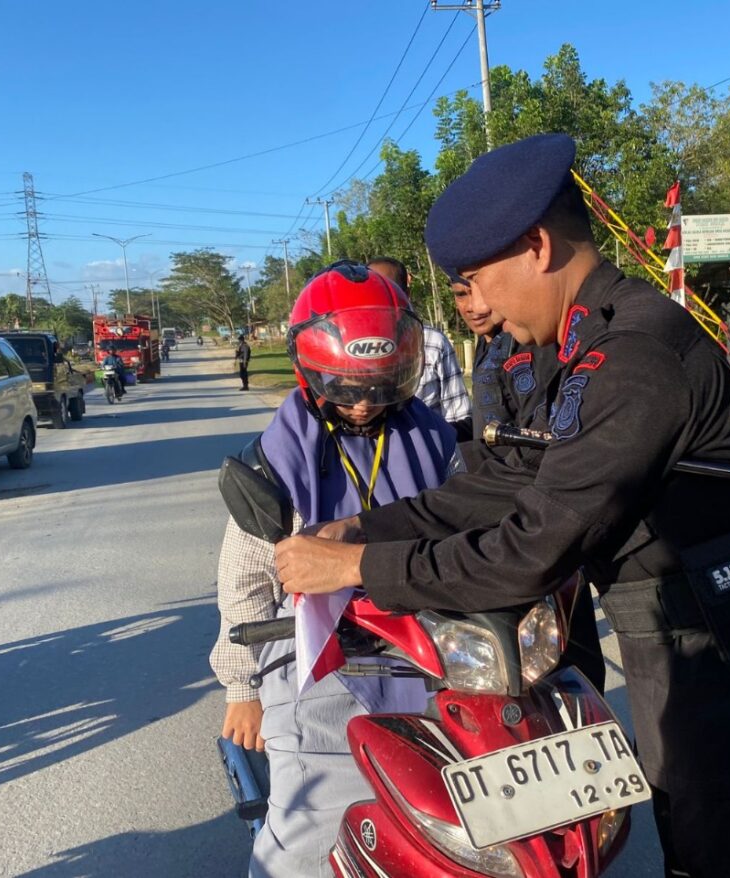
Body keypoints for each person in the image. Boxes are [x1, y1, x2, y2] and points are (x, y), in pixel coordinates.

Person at [275, 134, 730, 877]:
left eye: (476, 280)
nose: (478, 308)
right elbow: (503, 481)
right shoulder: (573, 350)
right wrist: (361, 526)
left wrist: (358, 566)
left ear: (536, 245)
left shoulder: (636, 355)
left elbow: (532, 546)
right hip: (682, 660)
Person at [209, 260, 459, 878]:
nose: (365, 404)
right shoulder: (277, 460)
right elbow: (244, 581)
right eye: (346, 387)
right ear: (311, 372)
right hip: (317, 656)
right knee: (310, 831)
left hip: (432, 647)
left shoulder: (434, 441)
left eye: (383, 385)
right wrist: (242, 690)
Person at [451, 272, 607, 693]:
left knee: (565, 648)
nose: (473, 306)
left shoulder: (531, 344)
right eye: (461, 294)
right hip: (494, 508)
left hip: (535, 509)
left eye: (480, 290)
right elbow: (488, 424)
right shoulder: (488, 346)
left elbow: (542, 437)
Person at [366, 256, 471, 438]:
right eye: (371, 290)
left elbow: (459, 417)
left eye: (389, 291)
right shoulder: (348, 349)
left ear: (406, 295)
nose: (378, 298)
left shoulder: (433, 343)